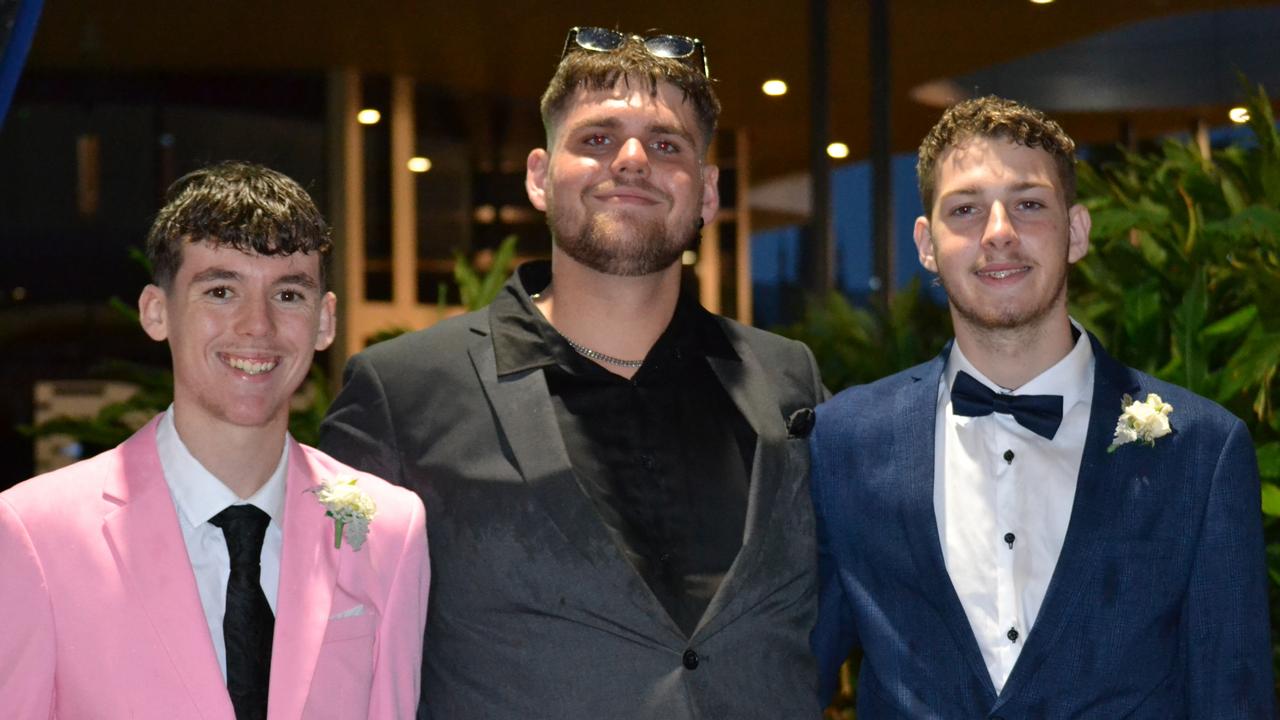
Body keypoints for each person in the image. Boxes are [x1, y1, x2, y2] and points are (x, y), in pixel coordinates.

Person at [320, 26, 825, 719]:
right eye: (595, 139)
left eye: (667, 144)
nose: (632, 161)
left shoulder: (789, 383)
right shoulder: (402, 392)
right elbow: (332, 657)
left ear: (707, 193)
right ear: (538, 176)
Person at [809, 96, 1275, 717]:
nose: (998, 232)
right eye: (966, 209)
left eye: (1028, 205)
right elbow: (790, 674)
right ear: (926, 243)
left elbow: (1234, 699)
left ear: (1076, 232)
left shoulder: (1203, 452)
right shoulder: (846, 441)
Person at [0, 162, 429, 720]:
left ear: (325, 322)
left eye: (289, 295)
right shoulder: (35, 531)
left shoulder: (389, 530)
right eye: (221, 291)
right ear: (156, 312)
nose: (258, 325)